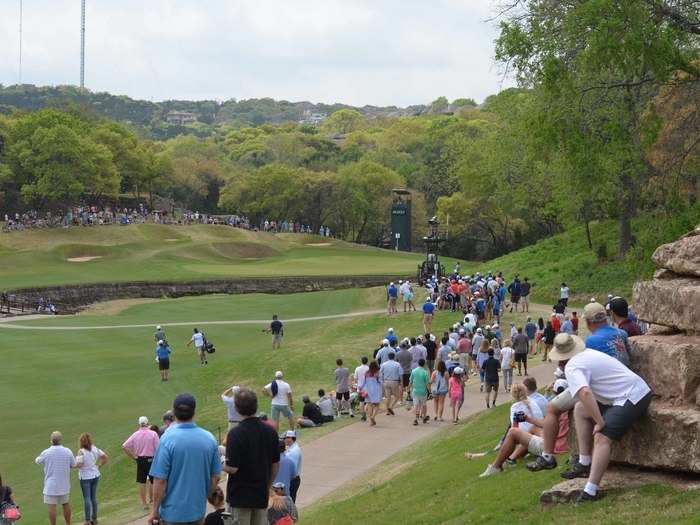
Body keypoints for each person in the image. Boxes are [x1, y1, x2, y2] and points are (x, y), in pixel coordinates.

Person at [547, 333, 652, 503]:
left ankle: (591, 490)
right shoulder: (585, 354)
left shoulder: (572, 366)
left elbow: (585, 392)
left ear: (560, 358)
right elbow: (584, 397)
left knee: (602, 437)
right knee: (580, 408)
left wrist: (600, 422)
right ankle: (584, 462)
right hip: (626, 392)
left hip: (632, 395)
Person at [148, 393, 221, 525]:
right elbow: (215, 476)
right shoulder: (209, 438)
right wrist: (203, 496)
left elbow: (160, 480)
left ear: (174, 413)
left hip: (172, 515)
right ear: (193, 412)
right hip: (197, 512)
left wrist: (154, 511)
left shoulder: (166, 439)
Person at [224, 388, 280, 524]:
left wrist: (219, 461)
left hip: (240, 497)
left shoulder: (235, 434)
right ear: (256, 406)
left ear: (237, 409)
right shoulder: (270, 432)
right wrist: (267, 486)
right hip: (260, 495)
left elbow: (232, 468)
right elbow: (275, 466)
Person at [35, 431, 76, 525]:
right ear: (61, 440)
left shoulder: (46, 452)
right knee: (65, 503)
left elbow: (37, 461)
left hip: (51, 484)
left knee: (52, 507)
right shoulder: (67, 451)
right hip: (64, 483)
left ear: (51, 440)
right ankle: (68, 524)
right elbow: (73, 464)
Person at [122, 416, 159, 509]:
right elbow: (159, 448)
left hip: (140, 460)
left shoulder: (135, 434)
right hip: (152, 459)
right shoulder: (153, 434)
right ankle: (154, 501)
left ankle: (144, 504)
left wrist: (134, 457)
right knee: (153, 481)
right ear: (147, 423)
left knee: (142, 482)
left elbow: (124, 446)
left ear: (139, 424)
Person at [75, 433, 107, 525]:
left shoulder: (81, 451)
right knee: (93, 498)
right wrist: (98, 466)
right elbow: (105, 457)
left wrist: (72, 465)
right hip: (95, 475)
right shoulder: (95, 448)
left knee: (87, 498)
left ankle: (87, 520)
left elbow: (79, 465)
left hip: (85, 477)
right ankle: (95, 518)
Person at [360, 361, 382, 426]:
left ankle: (371, 421)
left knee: (369, 405)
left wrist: (360, 388)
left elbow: (364, 382)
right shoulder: (377, 372)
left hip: (368, 390)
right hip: (376, 391)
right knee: (377, 405)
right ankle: (373, 416)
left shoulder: (366, 373)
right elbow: (380, 381)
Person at [409, 359, 430, 426]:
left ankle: (415, 419)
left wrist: (408, 389)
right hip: (423, 391)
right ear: (424, 364)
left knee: (416, 405)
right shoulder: (425, 372)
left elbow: (411, 381)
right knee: (424, 405)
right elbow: (427, 384)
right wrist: (430, 391)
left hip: (415, 391)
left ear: (418, 363)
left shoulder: (414, 371)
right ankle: (424, 417)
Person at [283, 431, 302, 503]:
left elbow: (291, 469)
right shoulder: (292, 448)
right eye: (285, 438)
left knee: (290, 502)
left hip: (292, 480)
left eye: (287, 437)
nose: (285, 439)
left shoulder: (294, 451)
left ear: (292, 438)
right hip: (293, 479)